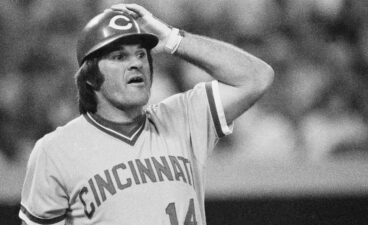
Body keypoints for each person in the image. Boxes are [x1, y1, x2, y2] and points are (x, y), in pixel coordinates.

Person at [19, 3, 274, 225]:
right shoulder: (55, 151)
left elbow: (257, 78)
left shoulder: (182, 117)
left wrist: (174, 39)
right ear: (91, 77)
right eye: (119, 56)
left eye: (141, 54)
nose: (136, 63)